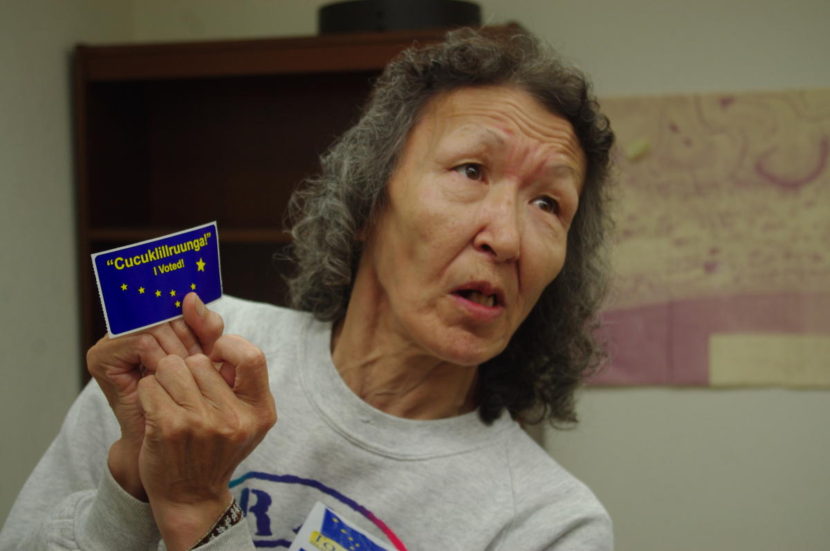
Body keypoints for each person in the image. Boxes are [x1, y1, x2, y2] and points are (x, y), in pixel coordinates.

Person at [1, 27, 615, 550]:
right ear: (370, 200)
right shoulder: (185, 351)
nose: (507, 238)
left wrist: (200, 512)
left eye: (547, 203)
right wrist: (129, 489)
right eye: (472, 170)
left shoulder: (548, 523)